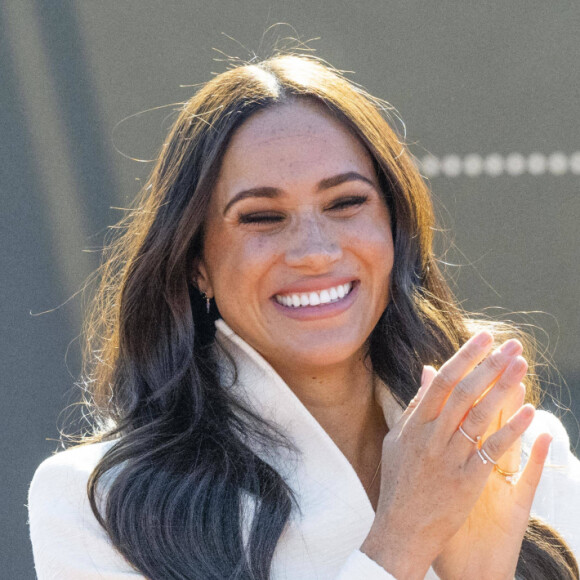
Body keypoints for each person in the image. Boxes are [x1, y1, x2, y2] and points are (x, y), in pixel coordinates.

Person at [28, 53, 580, 580]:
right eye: (263, 217)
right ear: (197, 263)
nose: (315, 250)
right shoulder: (99, 501)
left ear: (396, 229)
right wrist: (402, 539)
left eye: (346, 203)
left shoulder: (519, 455)